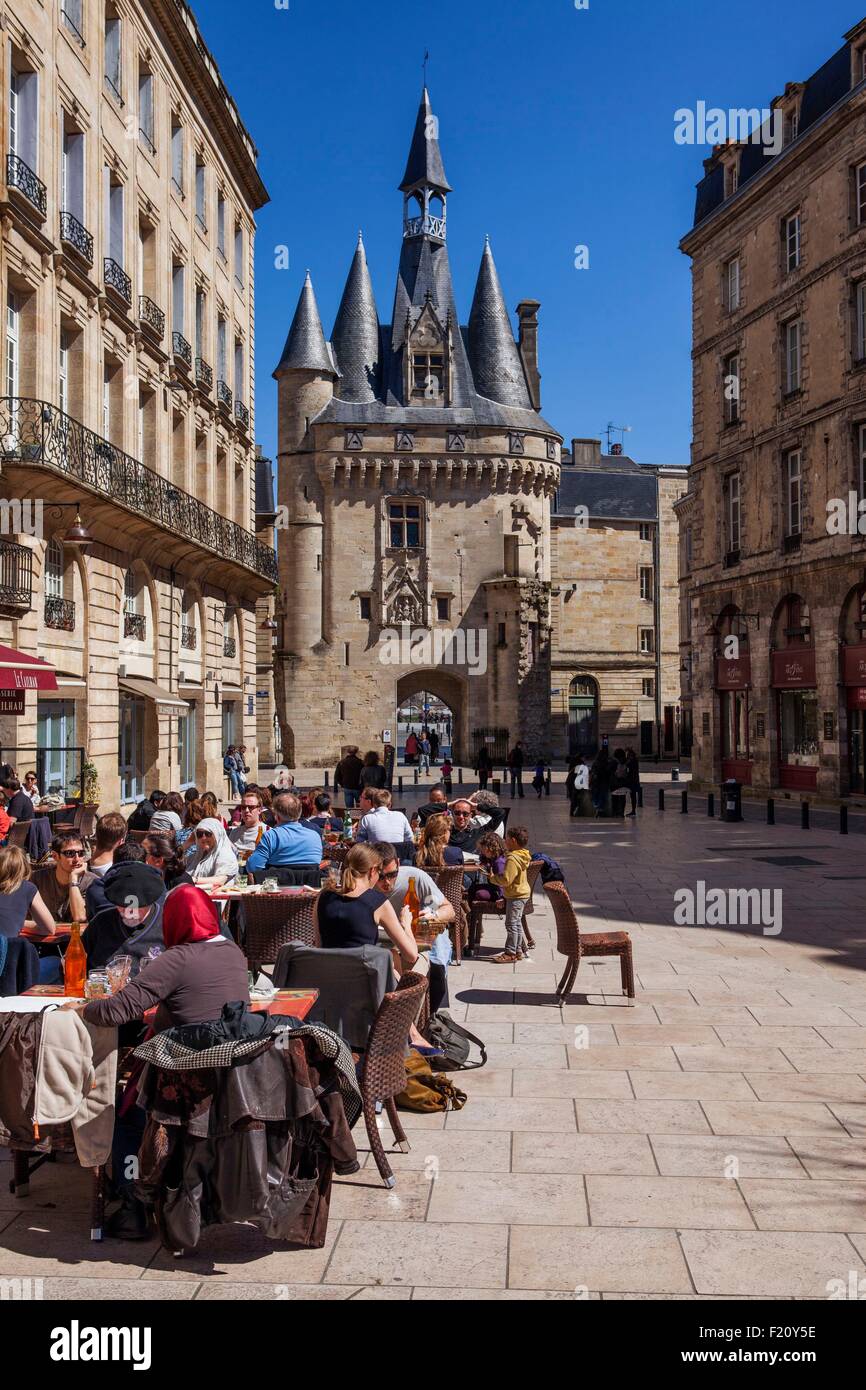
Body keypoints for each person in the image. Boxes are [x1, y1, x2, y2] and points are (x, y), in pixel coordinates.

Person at [77, 884, 248, 1032]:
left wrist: (79, 1010)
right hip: (233, 1050)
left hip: (189, 1057)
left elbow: (116, 1011)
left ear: (172, 920)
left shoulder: (177, 959)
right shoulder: (233, 951)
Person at [314, 843, 420, 963]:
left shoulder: (323, 896)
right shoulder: (377, 902)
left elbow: (319, 946)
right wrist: (406, 925)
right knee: (399, 959)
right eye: (380, 873)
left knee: (393, 956)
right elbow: (411, 955)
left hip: (327, 976)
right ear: (372, 871)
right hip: (363, 979)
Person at [0, 846, 62, 981]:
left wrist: (18, 922)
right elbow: (49, 928)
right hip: (8, 972)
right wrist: (20, 922)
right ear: (25, 869)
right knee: (57, 962)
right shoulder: (26, 888)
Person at [372, 841, 456, 934]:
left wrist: (433, 914)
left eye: (392, 874)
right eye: (380, 877)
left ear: (398, 863)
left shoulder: (414, 878)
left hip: (414, 938)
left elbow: (448, 909)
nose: (387, 882)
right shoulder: (364, 886)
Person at [477, 824, 532, 964]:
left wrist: (492, 878)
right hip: (520, 893)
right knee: (516, 923)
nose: (504, 840)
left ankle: (510, 953)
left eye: (506, 838)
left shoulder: (513, 858)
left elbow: (506, 880)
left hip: (516, 895)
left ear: (513, 840)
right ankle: (518, 950)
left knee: (511, 924)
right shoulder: (522, 855)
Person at [246, 792, 323, 873]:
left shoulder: (271, 836)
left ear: (277, 816)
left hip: (279, 884)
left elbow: (252, 867)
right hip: (309, 884)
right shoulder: (315, 836)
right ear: (299, 814)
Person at [30, 832, 96, 923]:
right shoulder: (37, 879)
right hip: (46, 934)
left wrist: (73, 880)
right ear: (55, 856)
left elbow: (80, 917)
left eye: (81, 853)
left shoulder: (91, 882)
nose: (77, 859)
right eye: (70, 853)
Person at [186, 818, 239, 887]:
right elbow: (174, 864)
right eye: (199, 834)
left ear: (217, 834)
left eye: (208, 834)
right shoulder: (196, 856)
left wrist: (193, 880)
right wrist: (186, 844)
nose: (203, 837)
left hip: (218, 896)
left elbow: (220, 880)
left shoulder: (225, 854)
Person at [590, 747, 612, 818]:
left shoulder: (595, 763)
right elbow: (608, 772)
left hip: (596, 783)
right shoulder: (606, 763)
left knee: (596, 796)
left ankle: (597, 808)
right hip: (604, 782)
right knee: (602, 797)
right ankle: (600, 810)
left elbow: (592, 772)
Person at [625, 749, 641, 817]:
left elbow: (627, 766)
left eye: (628, 754)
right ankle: (633, 810)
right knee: (633, 796)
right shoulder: (635, 760)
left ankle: (633, 811)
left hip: (632, 781)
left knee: (633, 796)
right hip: (635, 780)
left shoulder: (631, 761)